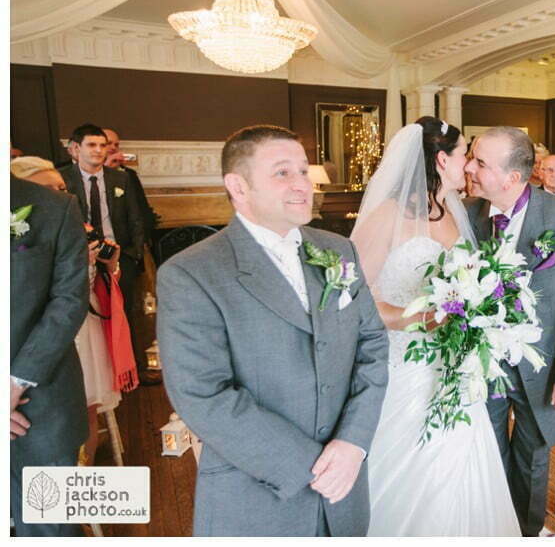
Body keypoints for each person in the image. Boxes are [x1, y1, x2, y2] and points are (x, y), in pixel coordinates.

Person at [157, 125, 389, 536]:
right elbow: (202, 393)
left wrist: (354, 443)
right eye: (283, 173)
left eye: (304, 171)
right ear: (238, 186)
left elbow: (372, 345)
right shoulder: (192, 273)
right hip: (257, 495)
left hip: (345, 490)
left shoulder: (338, 250)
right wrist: (311, 466)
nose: (303, 184)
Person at [351, 117, 520, 536]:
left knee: (461, 464)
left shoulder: (456, 213)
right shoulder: (387, 215)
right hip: (404, 365)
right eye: (465, 155)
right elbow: (353, 298)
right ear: (443, 159)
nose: (469, 166)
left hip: (454, 366)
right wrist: (422, 317)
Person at [464, 126, 555, 537]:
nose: (468, 167)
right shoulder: (466, 215)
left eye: (480, 162)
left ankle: (524, 532)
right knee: (485, 451)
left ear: (512, 178)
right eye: (470, 157)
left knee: (532, 457)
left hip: (541, 368)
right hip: (480, 363)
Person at [11, 157, 135, 465]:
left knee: (49, 509)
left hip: (45, 389)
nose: (57, 191)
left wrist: (16, 382)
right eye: (48, 186)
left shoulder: (59, 210)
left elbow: (71, 296)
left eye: (60, 186)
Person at [11, 175, 90, 537]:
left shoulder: (56, 208)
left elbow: (68, 302)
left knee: (49, 530)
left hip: (38, 409)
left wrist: (14, 385)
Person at [58, 124, 152, 382]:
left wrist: (132, 255)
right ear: (76, 149)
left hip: (119, 257)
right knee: (91, 317)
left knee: (126, 313)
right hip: (80, 260)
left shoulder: (120, 179)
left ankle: (132, 371)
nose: (99, 150)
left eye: (102, 145)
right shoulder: (62, 179)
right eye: (92, 145)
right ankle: (99, 373)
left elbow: (135, 218)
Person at [103, 127, 158, 243]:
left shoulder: (129, 174)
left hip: (128, 243)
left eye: (116, 145)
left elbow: (141, 207)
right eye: (108, 143)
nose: (113, 148)